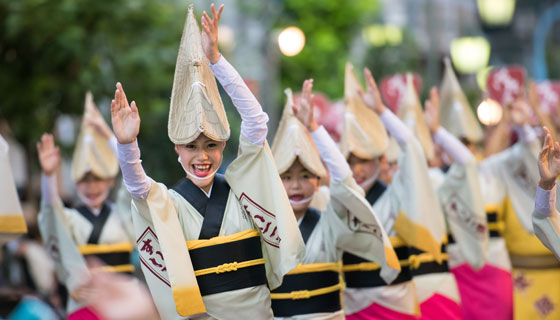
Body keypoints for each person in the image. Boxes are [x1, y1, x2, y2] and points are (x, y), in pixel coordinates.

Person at [111, 4, 304, 319]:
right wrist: (127, 143)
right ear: (177, 148)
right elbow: (136, 185)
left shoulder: (243, 192)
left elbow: (256, 122)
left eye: (211, 145)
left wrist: (216, 60)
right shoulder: (167, 203)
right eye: (191, 146)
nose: (202, 156)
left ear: (224, 145)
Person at [269, 81, 399, 319]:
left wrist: (314, 128)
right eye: (286, 177)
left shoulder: (331, 219)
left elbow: (344, 180)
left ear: (319, 180)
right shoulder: (263, 224)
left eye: (306, 175)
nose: (296, 185)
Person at [341, 64, 445, 319]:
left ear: (381, 160)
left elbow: (412, 149)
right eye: (350, 161)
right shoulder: (336, 201)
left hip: (397, 306)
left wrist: (381, 111)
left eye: (364, 160)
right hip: (354, 307)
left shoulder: (396, 194)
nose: (358, 169)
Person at [37, 92, 134, 317]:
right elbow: (51, 212)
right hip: (84, 305)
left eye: (98, 179)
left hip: (124, 303)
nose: (92, 188)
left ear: (111, 180)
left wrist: (110, 134)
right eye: (84, 181)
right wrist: (49, 176)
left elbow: (134, 184)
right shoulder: (68, 218)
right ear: (75, 184)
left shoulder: (123, 212)